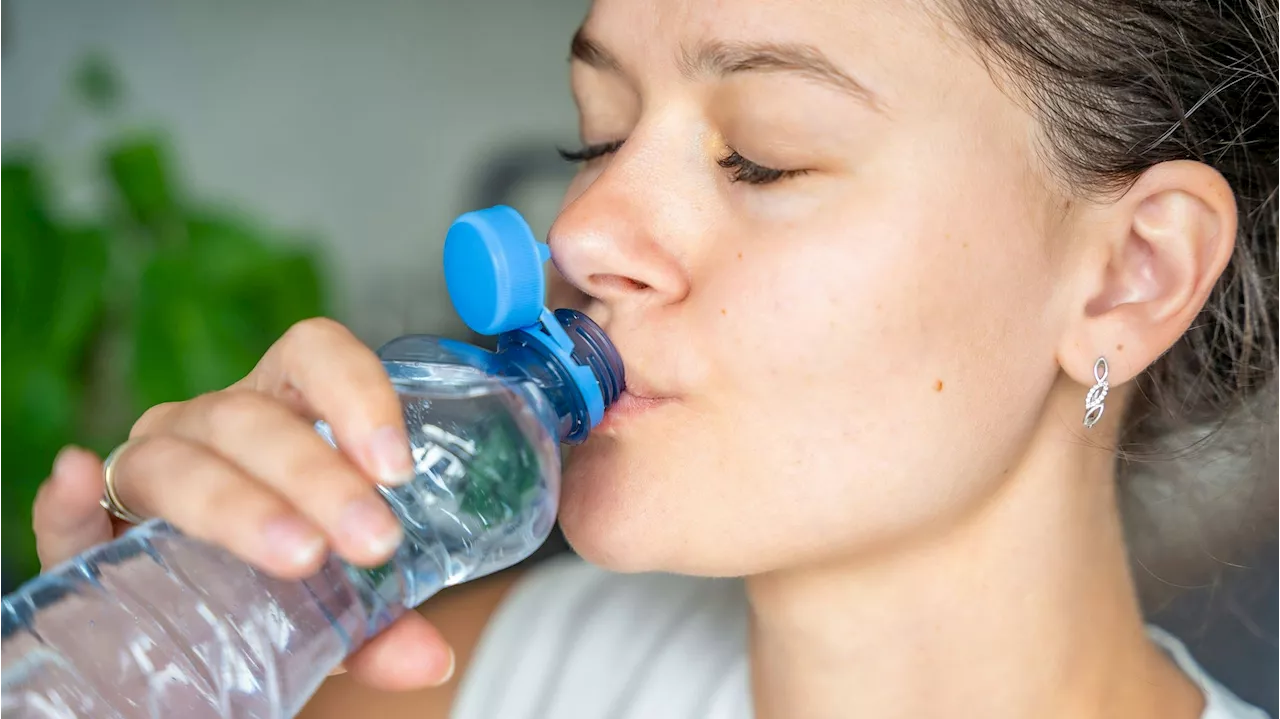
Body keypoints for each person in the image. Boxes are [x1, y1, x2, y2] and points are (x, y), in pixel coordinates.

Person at [29, 0, 1280, 717]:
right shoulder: (510, 665)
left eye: (763, 156)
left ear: (1132, 276)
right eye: (597, 138)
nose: (580, 235)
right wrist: (139, 635)